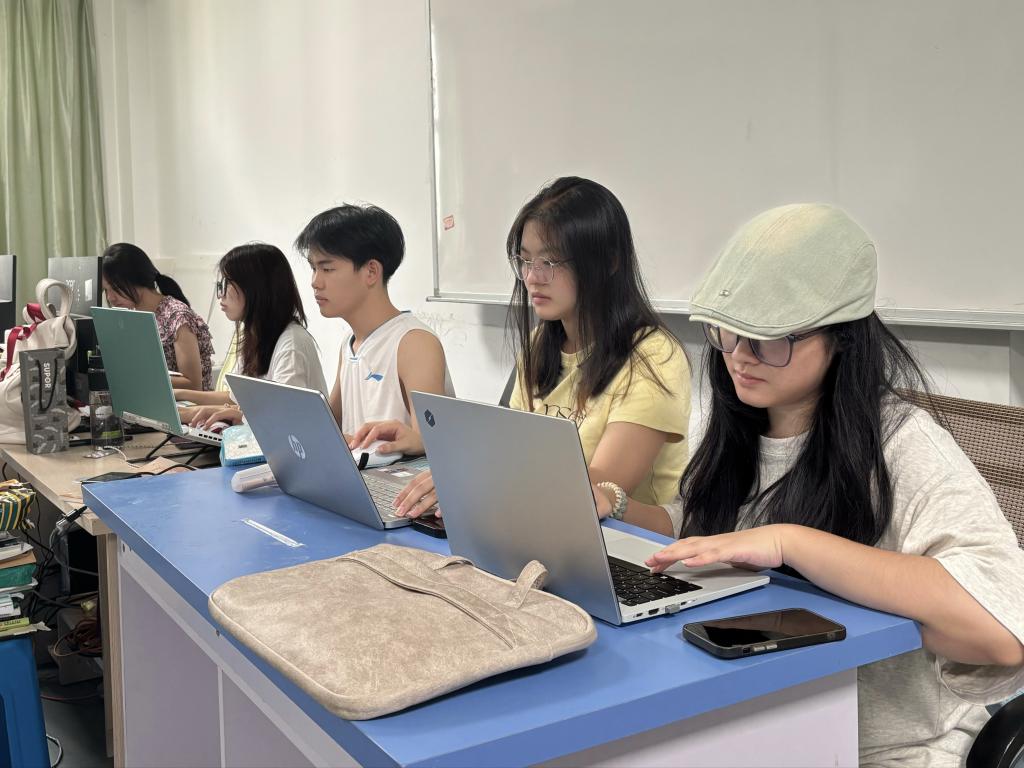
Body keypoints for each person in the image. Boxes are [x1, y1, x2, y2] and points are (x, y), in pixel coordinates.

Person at [595, 203, 1024, 764]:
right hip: (756, 720)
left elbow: (1000, 632)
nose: (739, 357)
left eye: (769, 339)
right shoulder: (743, 421)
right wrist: (612, 504)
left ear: (841, 337)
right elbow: (699, 530)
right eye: (726, 333)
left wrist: (791, 542)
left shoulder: (904, 444)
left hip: (879, 746)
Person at [359, 177, 691, 536]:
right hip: (538, 525)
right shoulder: (541, 343)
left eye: (550, 261)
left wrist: (473, 478)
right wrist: (456, 469)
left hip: (620, 542)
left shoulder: (654, 355)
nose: (532, 277)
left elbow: (596, 487)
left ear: (609, 262)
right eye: (526, 260)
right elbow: (509, 450)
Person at [293, 203, 454, 446]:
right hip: (361, 470)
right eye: (313, 268)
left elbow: (435, 444)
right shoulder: (350, 344)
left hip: (396, 473)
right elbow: (328, 424)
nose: (315, 282)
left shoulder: (413, 343)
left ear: (371, 272)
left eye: (327, 268)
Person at [181, 243, 327, 427]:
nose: (221, 295)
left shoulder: (291, 344)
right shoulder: (255, 335)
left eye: (227, 284)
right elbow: (235, 398)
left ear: (255, 289)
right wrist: (180, 395)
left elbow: (285, 418)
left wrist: (195, 412)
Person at [101, 243, 214, 391]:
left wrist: (136, 377)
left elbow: (193, 384)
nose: (110, 298)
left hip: (186, 404)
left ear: (137, 279)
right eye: (106, 290)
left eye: (116, 288)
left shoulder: (177, 316)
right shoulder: (134, 315)